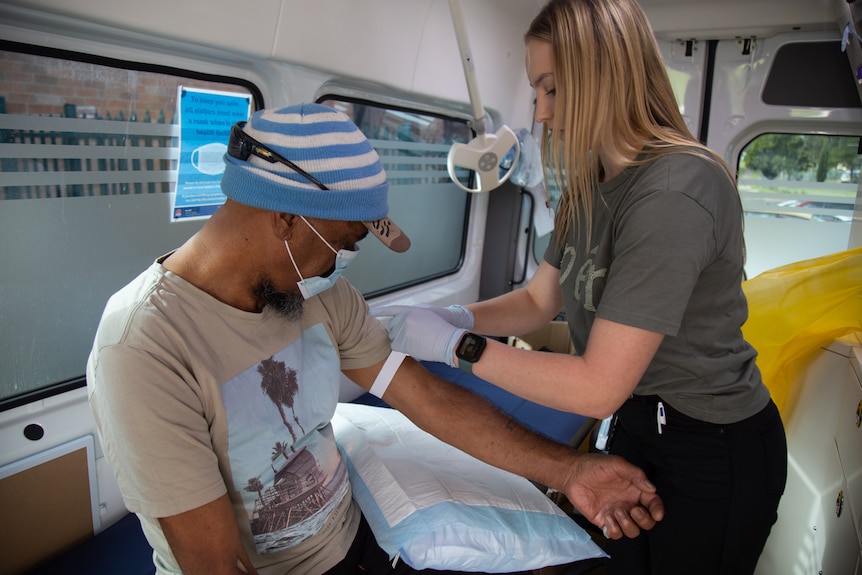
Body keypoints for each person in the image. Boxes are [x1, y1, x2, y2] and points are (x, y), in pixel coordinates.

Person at [86, 102, 663, 575]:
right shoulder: (143, 349)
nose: (343, 263)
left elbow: (426, 397)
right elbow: (215, 563)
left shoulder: (316, 291)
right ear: (285, 216)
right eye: (344, 241)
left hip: (360, 538)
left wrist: (568, 472)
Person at [374, 1, 788, 574]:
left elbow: (597, 388)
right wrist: (457, 317)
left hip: (711, 442)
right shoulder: (590, 186)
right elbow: (538, 301)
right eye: (535, 92)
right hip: (640, 423)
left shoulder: (675, 190)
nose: (541, 114)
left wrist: (455, 349)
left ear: (606, 75)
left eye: (553, 90)